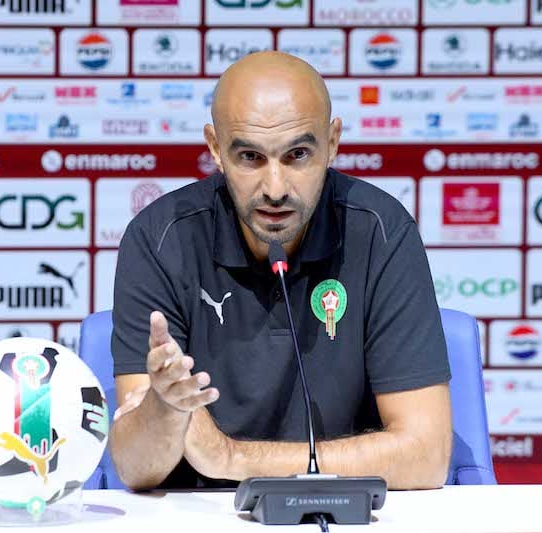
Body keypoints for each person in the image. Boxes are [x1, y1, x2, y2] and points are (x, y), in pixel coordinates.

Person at [108, 51, 452, 491]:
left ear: (333, 142)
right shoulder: (160, 239)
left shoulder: (381, 231)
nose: (275, 189)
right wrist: (163, 409)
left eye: (298, 155)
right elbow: (135, 468)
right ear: (215, 148)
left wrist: (232, 457)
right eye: (250, 156)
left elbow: (426, 457)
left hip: (345, 509)